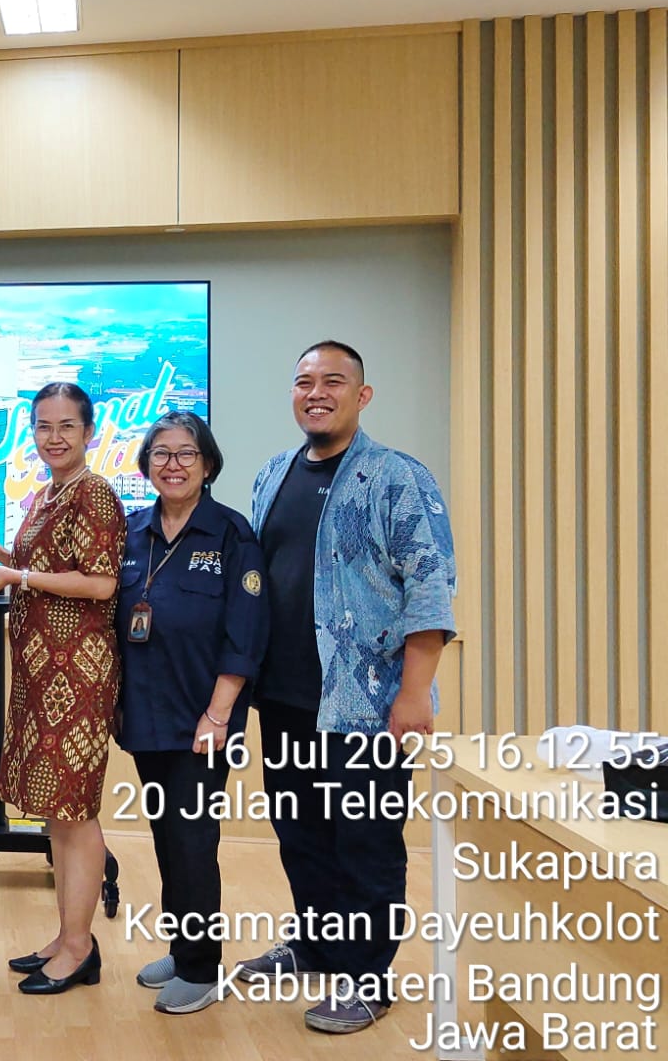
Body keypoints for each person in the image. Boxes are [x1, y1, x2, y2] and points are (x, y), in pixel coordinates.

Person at [237, 341, 455, 1034]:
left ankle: (368, 978)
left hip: (369, 706)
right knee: (301, 834)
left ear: (362, 396)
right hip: (286, 699)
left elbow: (430, 589)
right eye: (304, 381)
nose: (317, 392)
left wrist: (414, 694)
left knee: (366, 841)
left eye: (333, 381)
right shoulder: (272, 475)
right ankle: (316, 945)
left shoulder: (398, 478)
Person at [114, 411, 267, 1013]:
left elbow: (246, 634)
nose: (172, 464)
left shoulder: (232, 534)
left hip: (204, 721)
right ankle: (182, 951)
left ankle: (202, 969)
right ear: (146, 464)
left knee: (193, 840)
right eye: (161, 453)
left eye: (186, 454)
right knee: (166, 836)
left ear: (207, 465)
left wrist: (219, 714)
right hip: (145, 716)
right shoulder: (133, 531)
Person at [0, 382, 125, 995]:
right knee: (57, 816)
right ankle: (67, 937)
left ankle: (80, 948)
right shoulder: (46, 493)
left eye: (67, 426)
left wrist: (17, 574)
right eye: (43, 426)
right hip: (41, 673)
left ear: (89, 432)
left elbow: (100, 584)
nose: (54, 437)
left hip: (79, 675)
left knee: (77, 812)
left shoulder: (95, 493)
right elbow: (41, 567)